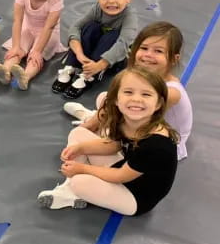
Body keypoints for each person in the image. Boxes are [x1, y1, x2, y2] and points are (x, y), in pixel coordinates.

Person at [38, 67, 179, 216]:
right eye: (128, 92)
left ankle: (72, 191)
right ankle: (70, 186)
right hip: (125, 168)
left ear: (158, 104)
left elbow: (120, 176)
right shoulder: (126, 120)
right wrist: (79, 149)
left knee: (79, 182)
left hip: (136, 197)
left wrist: (82, 169)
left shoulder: (156, 144)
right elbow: (113, 145)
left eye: (146, 94)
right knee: (78, 133)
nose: (136, 99)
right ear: (116, 100)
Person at [64, 21, 192, 160]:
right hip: (140, 122)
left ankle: (96, 128)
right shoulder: (142, 77)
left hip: (156, 143)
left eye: (158, 51)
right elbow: (112, 101)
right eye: (144, 48)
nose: (148, 55)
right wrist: (91, 124)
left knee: (86, 139)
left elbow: (130, 126)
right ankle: (93, 121)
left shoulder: (170, 92)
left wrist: (91, 128)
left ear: (174, 58)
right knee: (106, 97)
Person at [52, 0, 138, 99]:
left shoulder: (129, 17)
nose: (111, 1)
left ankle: (89, 76)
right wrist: (79, 54)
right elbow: (75, 27)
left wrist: (100, 65)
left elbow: (123, 44)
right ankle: (72, 66)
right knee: (90, 27)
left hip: (113, 59)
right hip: (93, 52)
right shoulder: (97, 9)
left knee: (113, 35)